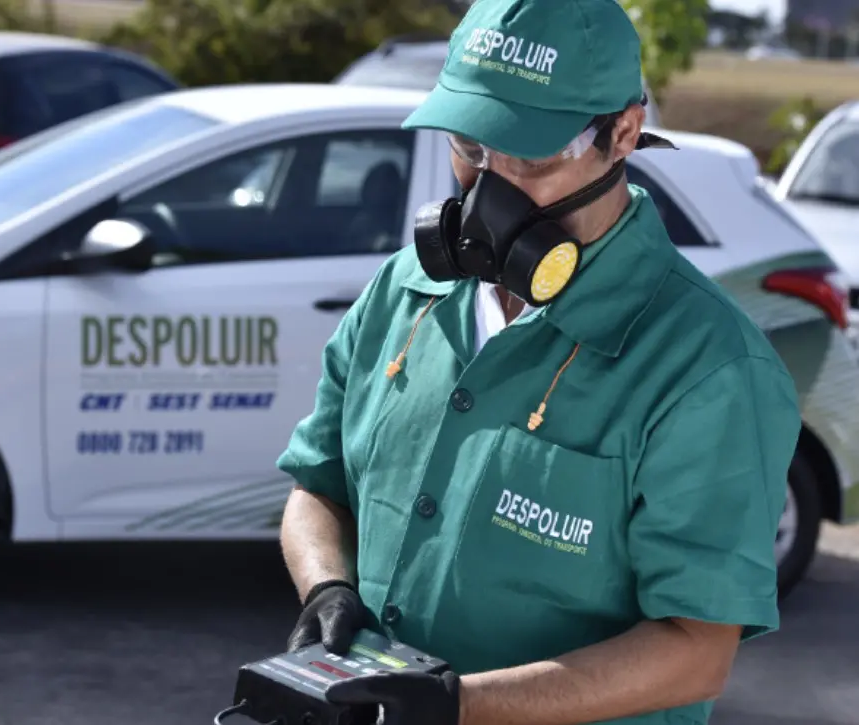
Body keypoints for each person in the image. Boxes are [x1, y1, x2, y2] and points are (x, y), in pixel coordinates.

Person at [274, 0, 802, 723]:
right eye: (470, 145)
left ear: (623, 132)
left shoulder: (709, 365)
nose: (488, 187)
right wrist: (327, 587)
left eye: (528, 155)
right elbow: (317, 488)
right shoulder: (404, 291)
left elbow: (696, 647)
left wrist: (455, 703)